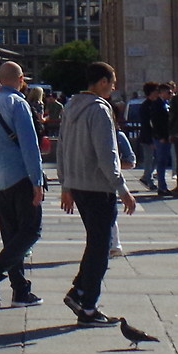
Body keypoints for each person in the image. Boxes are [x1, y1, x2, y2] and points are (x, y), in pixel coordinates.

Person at [57, 62, 137, 325]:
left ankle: (79, 292)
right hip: (98, 187)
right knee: (101, 248)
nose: (113, 88)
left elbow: (62, 149)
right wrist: (122, 188)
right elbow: (107, 155)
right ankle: (88, 307)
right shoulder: (100, 109)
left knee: (96, 243)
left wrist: (66, 185)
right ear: (102, 82)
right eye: (112, 83)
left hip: (78, 185)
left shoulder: (71, 106)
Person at [0, 62, 45, 307]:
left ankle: (20, 290)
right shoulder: (18, 103)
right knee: (31, 230)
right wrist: (37, 180)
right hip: (20, 176)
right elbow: (29, 145)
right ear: (21, 79)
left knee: (12, 235)